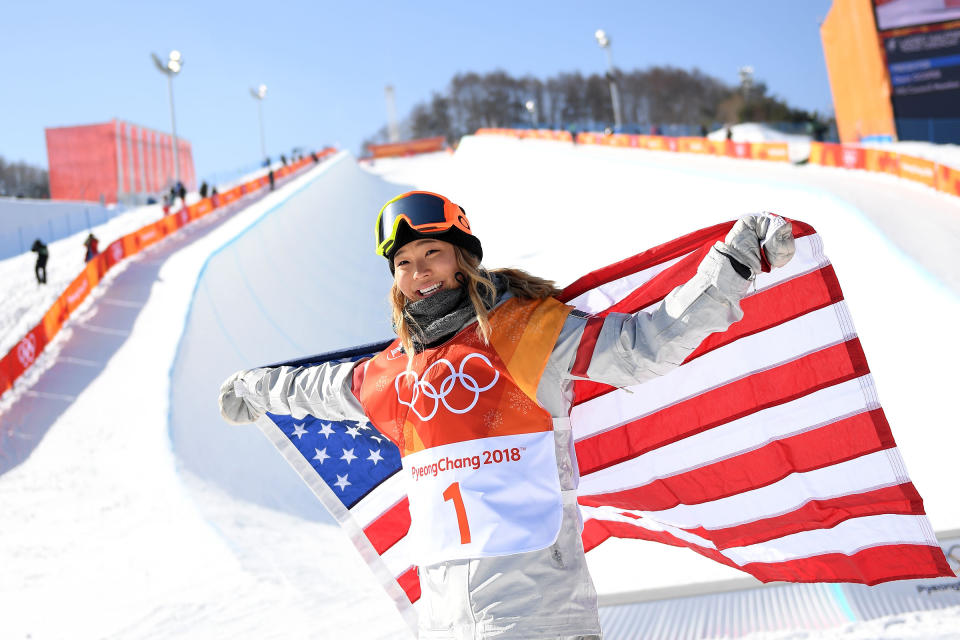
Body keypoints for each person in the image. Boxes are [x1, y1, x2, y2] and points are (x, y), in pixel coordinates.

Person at [218, 191, 796, 639]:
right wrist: (260, 388)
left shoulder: (523, 332)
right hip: (446, 626)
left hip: (539, 619)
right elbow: (321, 388)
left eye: (432, 255)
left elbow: (641, 347)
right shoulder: (393, 375)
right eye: (404, 263)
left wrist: (732, 265)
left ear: (463, 260)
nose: (419, 273)